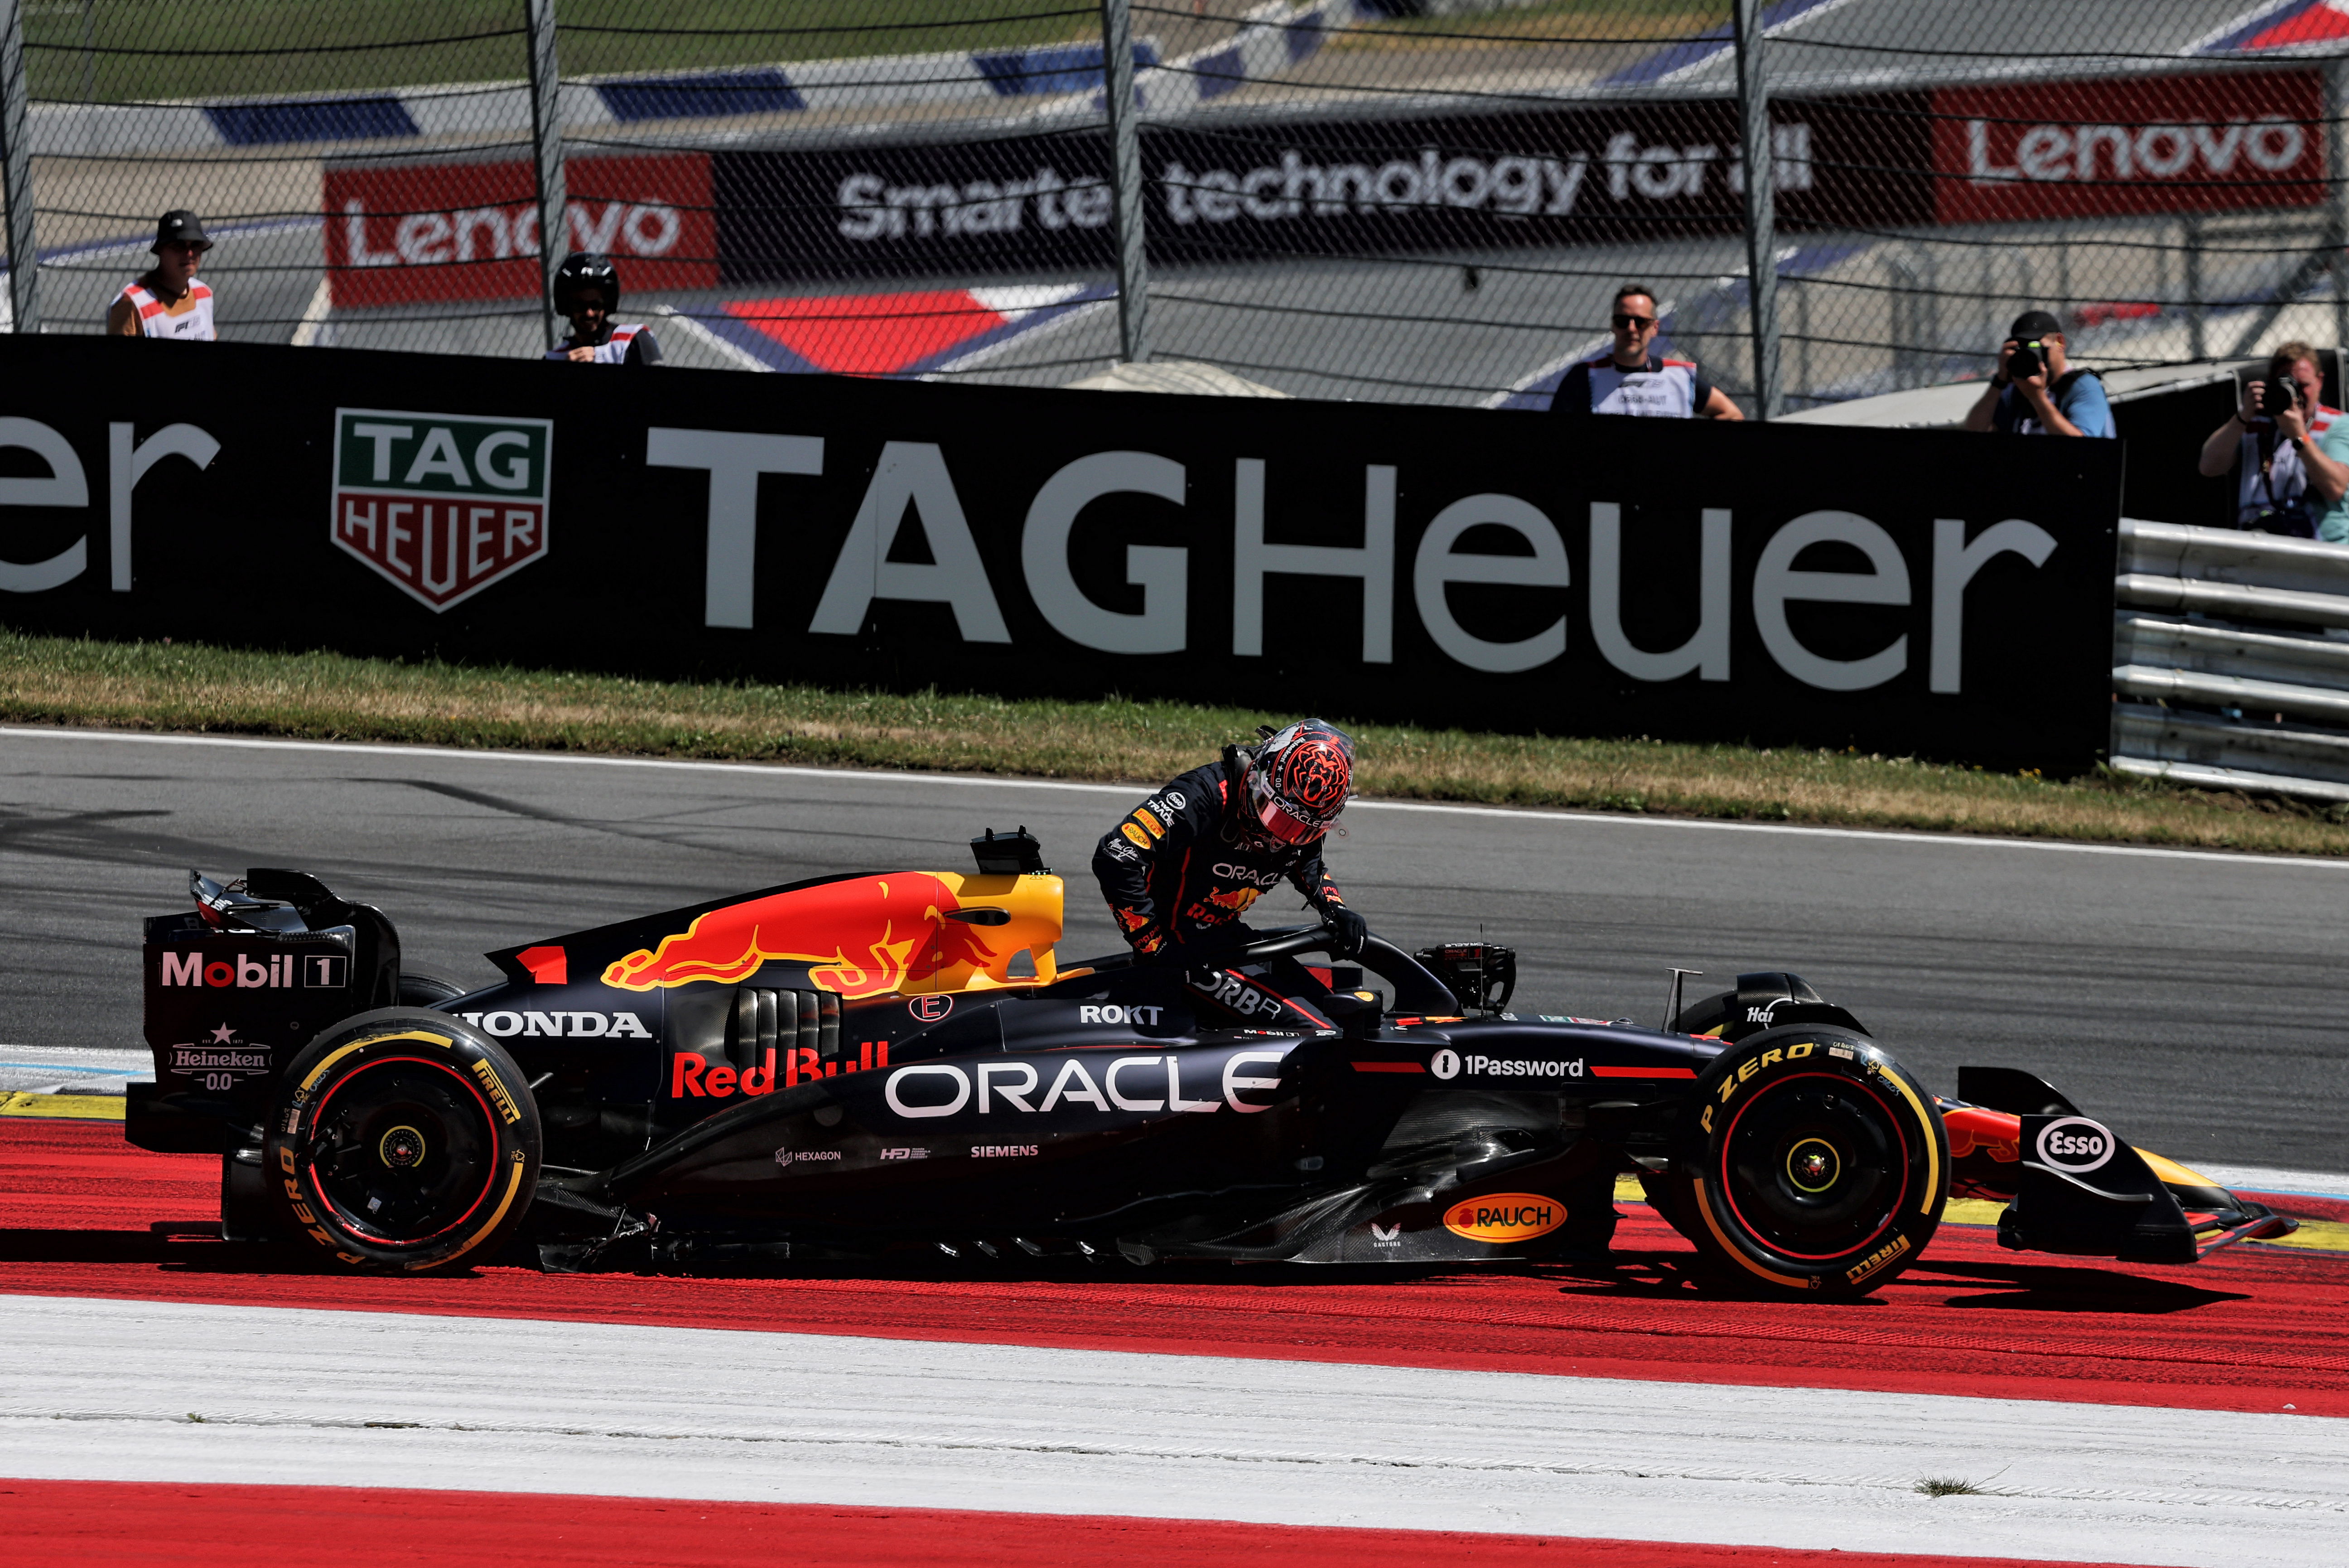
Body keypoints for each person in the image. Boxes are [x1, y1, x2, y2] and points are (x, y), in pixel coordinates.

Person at [1093, 719, 1368, 964]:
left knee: (1324, 995)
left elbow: (1306, 863)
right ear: (1258, 778)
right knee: (1300, 1011)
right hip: (1176, 946)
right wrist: (1154, 947)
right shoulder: (1203, 795)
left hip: (1224, 938)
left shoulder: (1307, 818)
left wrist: (1335, 907)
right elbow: (1116, 854)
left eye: (1299, 830)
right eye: (1276, 817)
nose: (1280, 839)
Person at [2197, 343, 2345, 536]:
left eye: (2303, 386)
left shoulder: (2337, 424)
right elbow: (2209, 468)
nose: (2296, 395)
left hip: (2315, 541)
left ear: (2320, 381)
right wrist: (2242, 417)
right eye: (2289, 386)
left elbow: (2335, 488)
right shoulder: (2253, 423)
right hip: (2258, 536)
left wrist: (2298, 436)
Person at [1549, 285, 1744, 420]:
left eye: (1641, 322)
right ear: (1613, 326)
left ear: (1655, 328)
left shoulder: (1679, 376)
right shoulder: (1584, 376)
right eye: (1623, 321)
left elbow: (1732, 414)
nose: (1631, 329)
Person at [1961, 309, 2114, 438]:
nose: (2033, 356)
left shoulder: (2084, 385)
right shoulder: (2016, 388)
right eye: (2024, 349)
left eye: (2037, 348)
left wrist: (2037, 398)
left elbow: (2084, 447)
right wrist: (1999, 381)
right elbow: (1974, 433)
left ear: (2060, 342)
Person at [105, 210, 215, 340]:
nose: (189, 254)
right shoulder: (133, 303)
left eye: (196, 245)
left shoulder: (204, 293)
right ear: (161, 250)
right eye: (178, 246)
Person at [545, 252, 663, 365]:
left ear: (607, 304)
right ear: (566, 306)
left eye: (596, 305)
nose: (589, 313)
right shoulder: (554, 358)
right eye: (580, 306)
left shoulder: (633, 340)